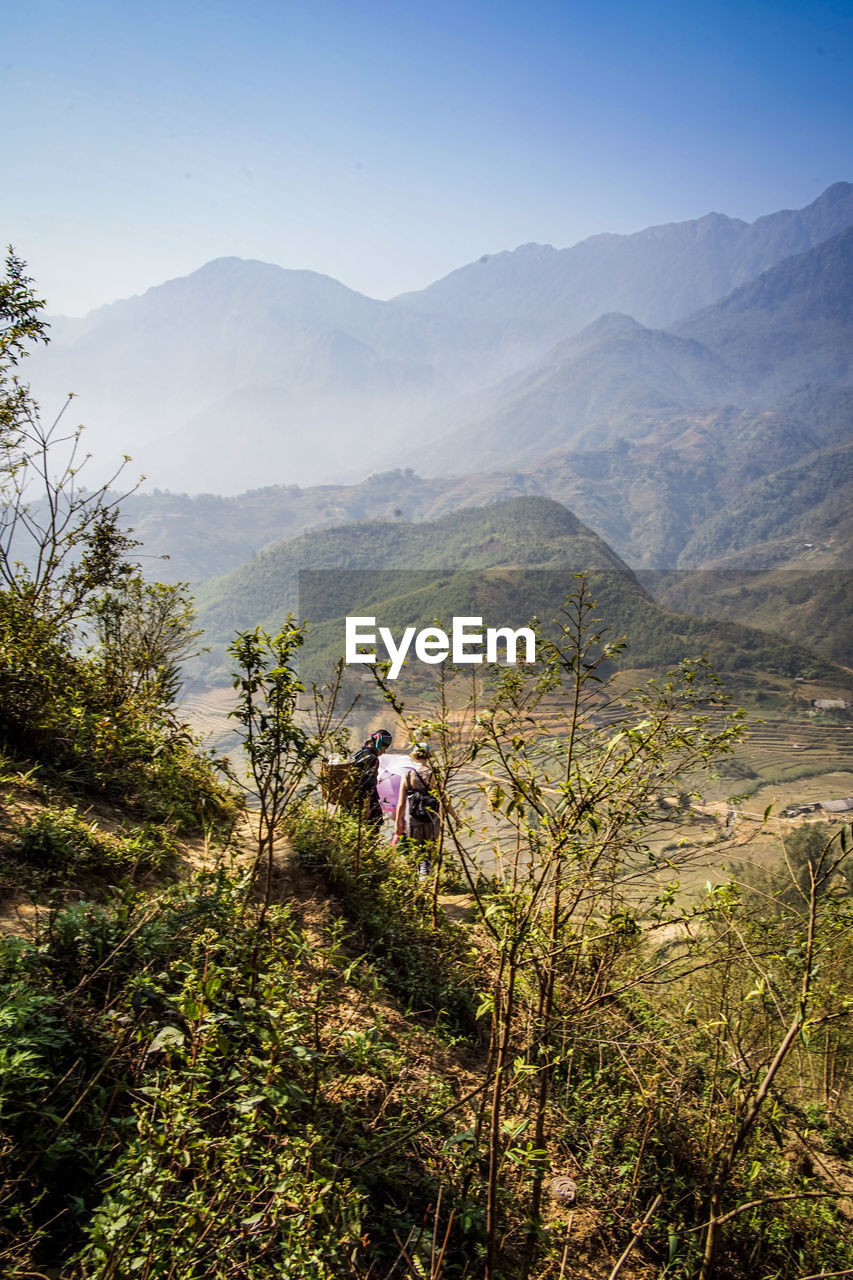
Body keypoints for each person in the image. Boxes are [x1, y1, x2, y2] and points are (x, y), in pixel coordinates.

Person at [394, 743, 454, 880]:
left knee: (418, 851)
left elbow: (401, 804)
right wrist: (456, 818)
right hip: (432, 820)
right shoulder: (434, 775)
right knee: (430, 851)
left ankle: (420, 880)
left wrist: (398, 823)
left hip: (413, 820)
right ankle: (429, 879)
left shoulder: (408, 775)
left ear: (414, 755)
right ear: (428, 756)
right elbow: (445, 800)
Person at [352, 729, 392, 828]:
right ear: (378, 744)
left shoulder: (358, 754)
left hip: (352, 801)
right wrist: (367, 808)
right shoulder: (373, 759)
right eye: (384, 748)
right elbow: (368, 786)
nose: (384, 751)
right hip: (366, 803)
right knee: (372, 831)